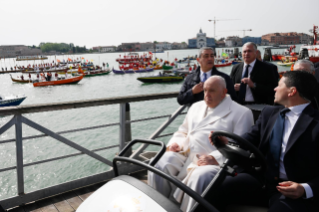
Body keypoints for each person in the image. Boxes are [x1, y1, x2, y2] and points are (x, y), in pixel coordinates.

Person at [197, 71, 319, 212]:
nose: (275, 88)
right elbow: (248, 140)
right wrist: (227, 142)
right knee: (215, 188)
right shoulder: (269, 113)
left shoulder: (316, 123)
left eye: (279, 85)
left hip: (293, 189)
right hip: (261, 180)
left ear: (292, 91)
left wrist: (305, 188)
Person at [149, 76, 254, 212]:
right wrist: (175, 144)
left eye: (212, 91)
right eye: (205, 90)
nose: (207, 95)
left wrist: (215, 158)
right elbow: (183, 130)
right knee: (159, 164)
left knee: (200, 176)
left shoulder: (242, 113)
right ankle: (158, 207)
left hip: (214, 161)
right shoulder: (196, 106)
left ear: (224, 92)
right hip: (186, 153)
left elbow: (239, 146)